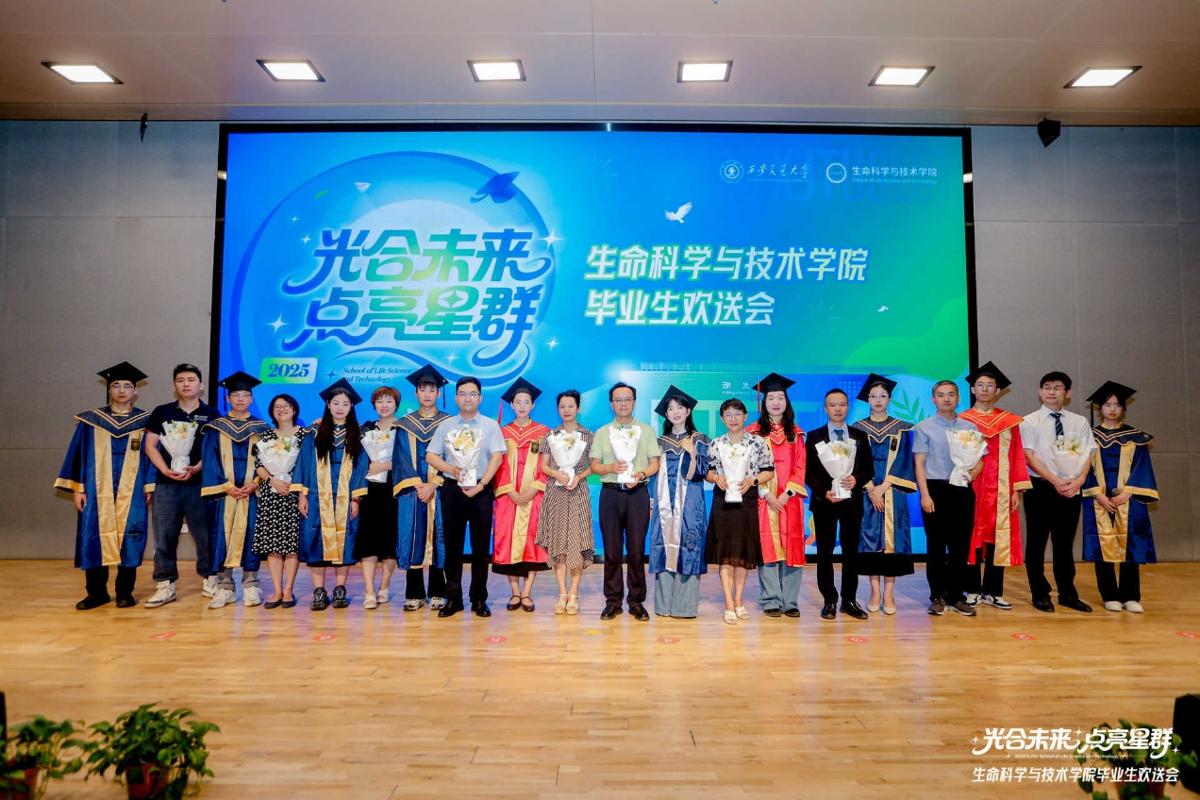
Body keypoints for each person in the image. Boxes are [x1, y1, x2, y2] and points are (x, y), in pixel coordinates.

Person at [55, 362, 155, 609]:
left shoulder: (146, 422)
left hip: (133, 490)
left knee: (131, 536)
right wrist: (78, 488)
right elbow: (77, 456)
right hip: (95, 491)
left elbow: (153, 456)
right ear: (109, 389)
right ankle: (96, 593)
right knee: (93, 537)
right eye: (116, 385)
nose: (121, 390)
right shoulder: (91, 421)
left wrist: (150, 486)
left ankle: (124, 592)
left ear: (135, 391)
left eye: (127, 386)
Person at [426, 376, 506, 618]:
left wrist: (482, 485)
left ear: (480, 398)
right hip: (453, 490)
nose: (467, 398)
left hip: (481, 491)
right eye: (462, 394)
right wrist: (452, 469)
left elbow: (497, 457)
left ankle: (479, 599)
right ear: (456, 397)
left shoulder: (490, 425)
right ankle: (453, 598)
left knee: (481, 548)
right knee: (452, 546)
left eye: (472, 394)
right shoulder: (446, 425)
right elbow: (431, 456)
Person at [143, 363, 219, 608]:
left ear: (201, 385)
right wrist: (164, 469)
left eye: (191, 379)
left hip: (201, 484)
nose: (186, 384)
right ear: (174, 385)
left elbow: (216, 449)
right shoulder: (162, 412)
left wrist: (197, 467)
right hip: (166, 484)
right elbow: (150, 445)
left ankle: (210, 578)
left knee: (205, 534)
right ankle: (165, 584)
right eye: (181, 380)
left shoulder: (212, 414)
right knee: (164, 534)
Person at [1020, 371, 1096, 613]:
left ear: (1068, 393)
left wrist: (1079, 481)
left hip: (1071, 487)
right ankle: (1040, 593)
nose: (1051, 392)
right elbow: (1029, 456)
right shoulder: (1029, 421)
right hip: (1040, 487)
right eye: (1047, 387)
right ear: (1040, 391)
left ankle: (1067, 594)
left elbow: (1089, 453)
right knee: (1037, 543)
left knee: (1064, 544)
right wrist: (1054, 480)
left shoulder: (1079, 422)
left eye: (1057, 387)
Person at [959, 362, 1032, 610]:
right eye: (979, 385)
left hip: (1001, 489)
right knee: (970, 534)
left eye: (989, 385)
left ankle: (994, 591)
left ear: (998, 390)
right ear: (972, 390)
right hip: (972, 486)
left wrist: (1016, 490)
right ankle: (971, 589)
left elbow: (1018, 456)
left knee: (998, 536)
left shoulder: (1009, 422)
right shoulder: (962, 420)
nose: (984, 389)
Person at [1081, 382, 1159, 613]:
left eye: (1116, 405)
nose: (1112, 409)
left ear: (1124, 408)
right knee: (1102, 545)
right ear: (1100, 409)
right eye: (1107, 405)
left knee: (1130, 545)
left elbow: (1142, 467)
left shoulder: (1136, 437)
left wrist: (1128, 492)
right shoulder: (1089, 437)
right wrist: (1097, 493)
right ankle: (1109, 595)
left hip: (1129, 499)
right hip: (1098, 499)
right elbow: (1083, 468)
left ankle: (1131, 596)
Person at [293, 378, 369, 610]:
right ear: (328, 404)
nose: (340, 407)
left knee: (345, 541)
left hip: (346, 496)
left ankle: (339, 589)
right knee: (315, 539)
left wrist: (356, 498)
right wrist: (302, 495)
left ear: (351, 406)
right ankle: (318, 590)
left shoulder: (358, 434)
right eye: (336, 403)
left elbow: (361, 467)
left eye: (345, 404)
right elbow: (304, 463)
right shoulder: (314, 433)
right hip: (317, 496)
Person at [589, 382, 662, 621]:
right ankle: (613, 602)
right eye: (618, 399)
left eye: (627, 399)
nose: (623, 403)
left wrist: (641, 474)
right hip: (610, 494)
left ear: (634, 402)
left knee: (636, 551)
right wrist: (610, 467)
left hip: (637, 495)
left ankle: (636, 602)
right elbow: (594, 465)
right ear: (611, 404)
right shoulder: (603, 432)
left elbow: (655, 463)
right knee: (611, 552)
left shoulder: (645, 431)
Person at [201, 371, 270, 609]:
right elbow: (209, 460)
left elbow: (270, 460)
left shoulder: (262, 428)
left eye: (245, 395)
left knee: (252, 534)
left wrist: (256, 483)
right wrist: (227, 486)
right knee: (221, 535)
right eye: (235, 395)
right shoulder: (215, 428)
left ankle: (251, 584)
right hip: (224, 493)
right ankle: (225, 586)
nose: (240, 399)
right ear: (228, 398)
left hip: (253, 493)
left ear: (251, 398)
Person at [805, 388, 874, 621]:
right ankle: (829, 600)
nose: (837, 409)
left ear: (848, 406)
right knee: (824, 552)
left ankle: (849, 600)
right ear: (825, 408)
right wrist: (824, 491)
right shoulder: (814, 436)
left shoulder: (859, 436)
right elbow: (809, 472)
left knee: (851, 552)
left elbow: (868, 469)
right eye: (832, 404)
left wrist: (856, 479)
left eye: (842, 404)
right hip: (824, 502)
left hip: (851, 502)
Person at [913, 380, 980, 616]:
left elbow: (980, 459)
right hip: (935, 489)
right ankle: (937, 596)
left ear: (958, 398)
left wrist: (971, 474)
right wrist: (925, 495)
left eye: (951, 394)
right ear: (933, 400)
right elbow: (919, 463)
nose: (946, 399)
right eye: (941, 395)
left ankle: (956, 596)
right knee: (936, 547)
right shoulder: (923, 427)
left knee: (960, 546)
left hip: (962, 489)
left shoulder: (969, 427)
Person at [851, 374, 917, 615]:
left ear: (889, 399)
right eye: (873, 396)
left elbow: (905, 460)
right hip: (866, 492)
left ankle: (889, 592)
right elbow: (854, 461)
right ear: (867, 399)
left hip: (893, 491)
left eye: (883, 396)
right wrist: (871, 488)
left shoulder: (903, 428)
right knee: (868, 538)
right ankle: (874, 591)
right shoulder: (857, 429)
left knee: (892, 541)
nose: (878, 400)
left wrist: (884, 486)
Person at [705, 398, 774, 625]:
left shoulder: (758, 442)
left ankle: (739, 600)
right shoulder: (716, 443)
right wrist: (716, 477)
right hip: (722, 501)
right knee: (725, 551)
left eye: (737, 414)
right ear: (722, 418)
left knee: (743, 551)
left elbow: (769, 471)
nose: (733, 419)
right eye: (728, 415)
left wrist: (752, 480)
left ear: (745, 416)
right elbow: (708, 472)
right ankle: (728, 602)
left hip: (747, 499)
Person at [745, 373, 809, 619]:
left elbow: (800, 466)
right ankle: (771, 598)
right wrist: (765, 493)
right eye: (771, 397)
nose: (775, 402)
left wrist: (787, 493)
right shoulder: (753, 432)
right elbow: (749, 466)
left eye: (780, 398)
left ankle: (790, 600)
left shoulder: (796, 433)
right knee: (768, 546)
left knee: (792, 546)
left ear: (786, 402)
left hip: (790, 499)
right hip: (764, 499)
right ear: (764, 402)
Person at [647, 386, 709, 619]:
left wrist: (692, 452)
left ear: (688, 411)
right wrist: (651, 502)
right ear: (666, 414)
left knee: (689, 546)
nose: (675, 412)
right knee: (662, 546)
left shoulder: (700, 439)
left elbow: (702, 472)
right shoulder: (658, 442)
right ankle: (663, 606)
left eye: (680, 407)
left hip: (690, 505)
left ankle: (685, 607)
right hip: (662, 505)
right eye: (670, 408)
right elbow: (653, 475)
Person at [394, 364, 451, 612]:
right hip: (412, 491)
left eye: (431, 389)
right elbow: (401, 459)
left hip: (440, 489)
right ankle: (414, 593)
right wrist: (419, 485)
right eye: (422, 389)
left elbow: (454, 456)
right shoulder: (404, 425)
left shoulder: (449, 423)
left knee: (440, 536)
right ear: (416, 393)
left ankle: (438, 591)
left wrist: (434, 483)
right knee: (413, 535)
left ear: (438, 393)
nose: (427, 394)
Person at [492, 378, 551, 612]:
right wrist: (511, 491)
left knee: (532, 542)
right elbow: (498, 465)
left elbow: (547, 465)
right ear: (512, 405)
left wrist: (533, 490)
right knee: (507, 540)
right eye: (518, 402)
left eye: (527, 402)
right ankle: (515, 592)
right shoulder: (502, 432)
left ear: (533, 405)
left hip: (534, 496)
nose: (522, 406)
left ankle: (527, 593)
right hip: (508, 497)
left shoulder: (544, 432)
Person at [536, 390, 594, 615]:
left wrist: (578, 476)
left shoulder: (588, 436)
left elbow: (594, 465)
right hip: (556, 492)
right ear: (558, 409)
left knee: (576, 543)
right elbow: (544, 466)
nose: (566, 410)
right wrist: (556, 474)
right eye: (562, 407)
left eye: (571, 406)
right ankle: (562, 592)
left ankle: (574, 593)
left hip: (578, 492)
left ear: (578, 408)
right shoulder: (550, 435)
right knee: (559, 543)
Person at [251, 393, 305, 609]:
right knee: (273, 546)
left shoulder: (304, 435)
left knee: (292, 545)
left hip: (294, 493)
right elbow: (258, 465)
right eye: (277, 407)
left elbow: (307, 464)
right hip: (271, 493)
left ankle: (289, 589)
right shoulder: (265, 436)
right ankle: (277, 590)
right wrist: (272, 479)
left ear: (294, 409)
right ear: (272, 412)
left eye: (286, 406)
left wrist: (293, 485)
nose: (281, 410)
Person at [356, 386, 402, 609]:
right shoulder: (364, 429)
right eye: (380, 401)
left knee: (390, 540)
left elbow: (409, 461)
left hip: (395, 490)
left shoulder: (404, 429)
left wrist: (385, 466)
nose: (384, 405)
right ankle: (369, 589)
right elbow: (356, 460)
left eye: (389, 401)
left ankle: (384, 584)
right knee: (368, 540)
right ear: (374, 404)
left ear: (396, 404)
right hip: (370, 490)